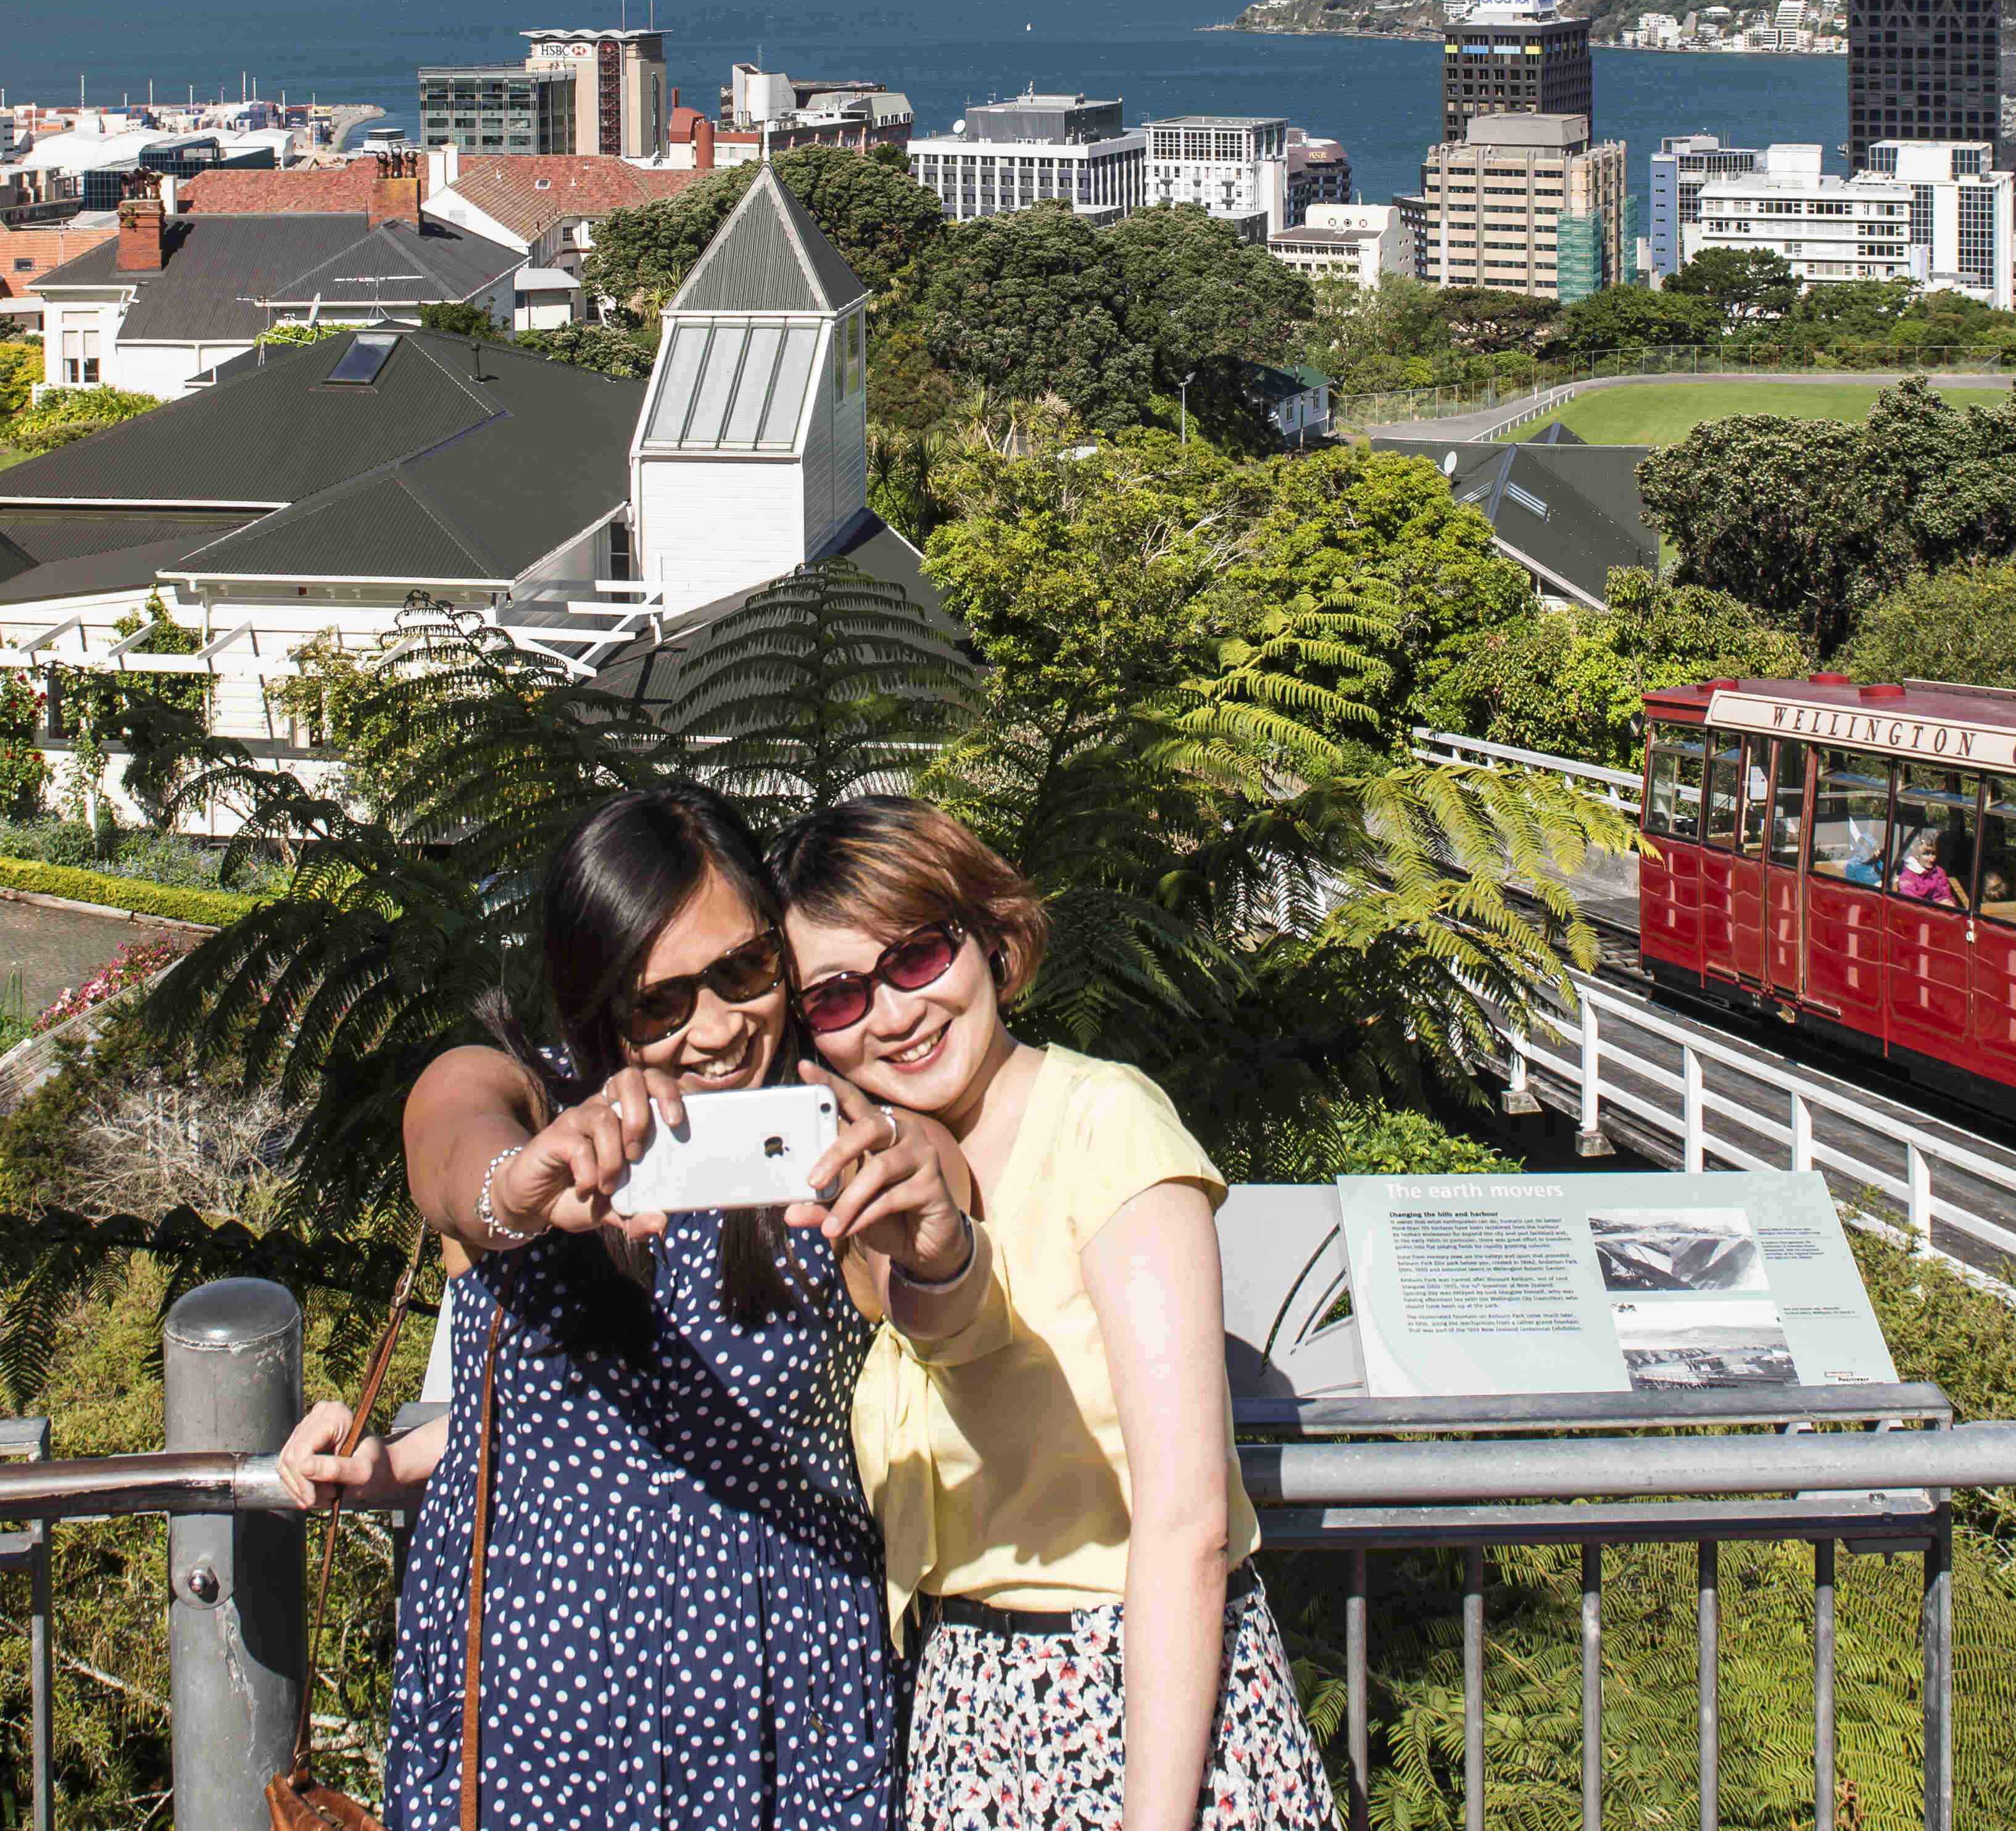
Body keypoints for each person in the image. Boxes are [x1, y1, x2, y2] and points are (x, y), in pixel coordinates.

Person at [273, 785, 987, 1830]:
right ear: (595, 996)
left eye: (745, 971)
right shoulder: (521, 1097)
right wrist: (518, 1188)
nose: (717, 1028)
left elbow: (936, 1309)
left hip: (779, 1702)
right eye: (661, 1002)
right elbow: (450, 1142)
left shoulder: (846, 1143)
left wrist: (932, 1233)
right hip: (531, 1714)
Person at [776, 800, 1341, 1831]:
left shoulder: (1106, 1124)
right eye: (840, 994)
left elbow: (1186, 1519)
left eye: (917, 956)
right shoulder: (877, 1187)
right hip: (970, 1717)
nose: (893, 1012)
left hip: (1139, 1711)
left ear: (992, 939)